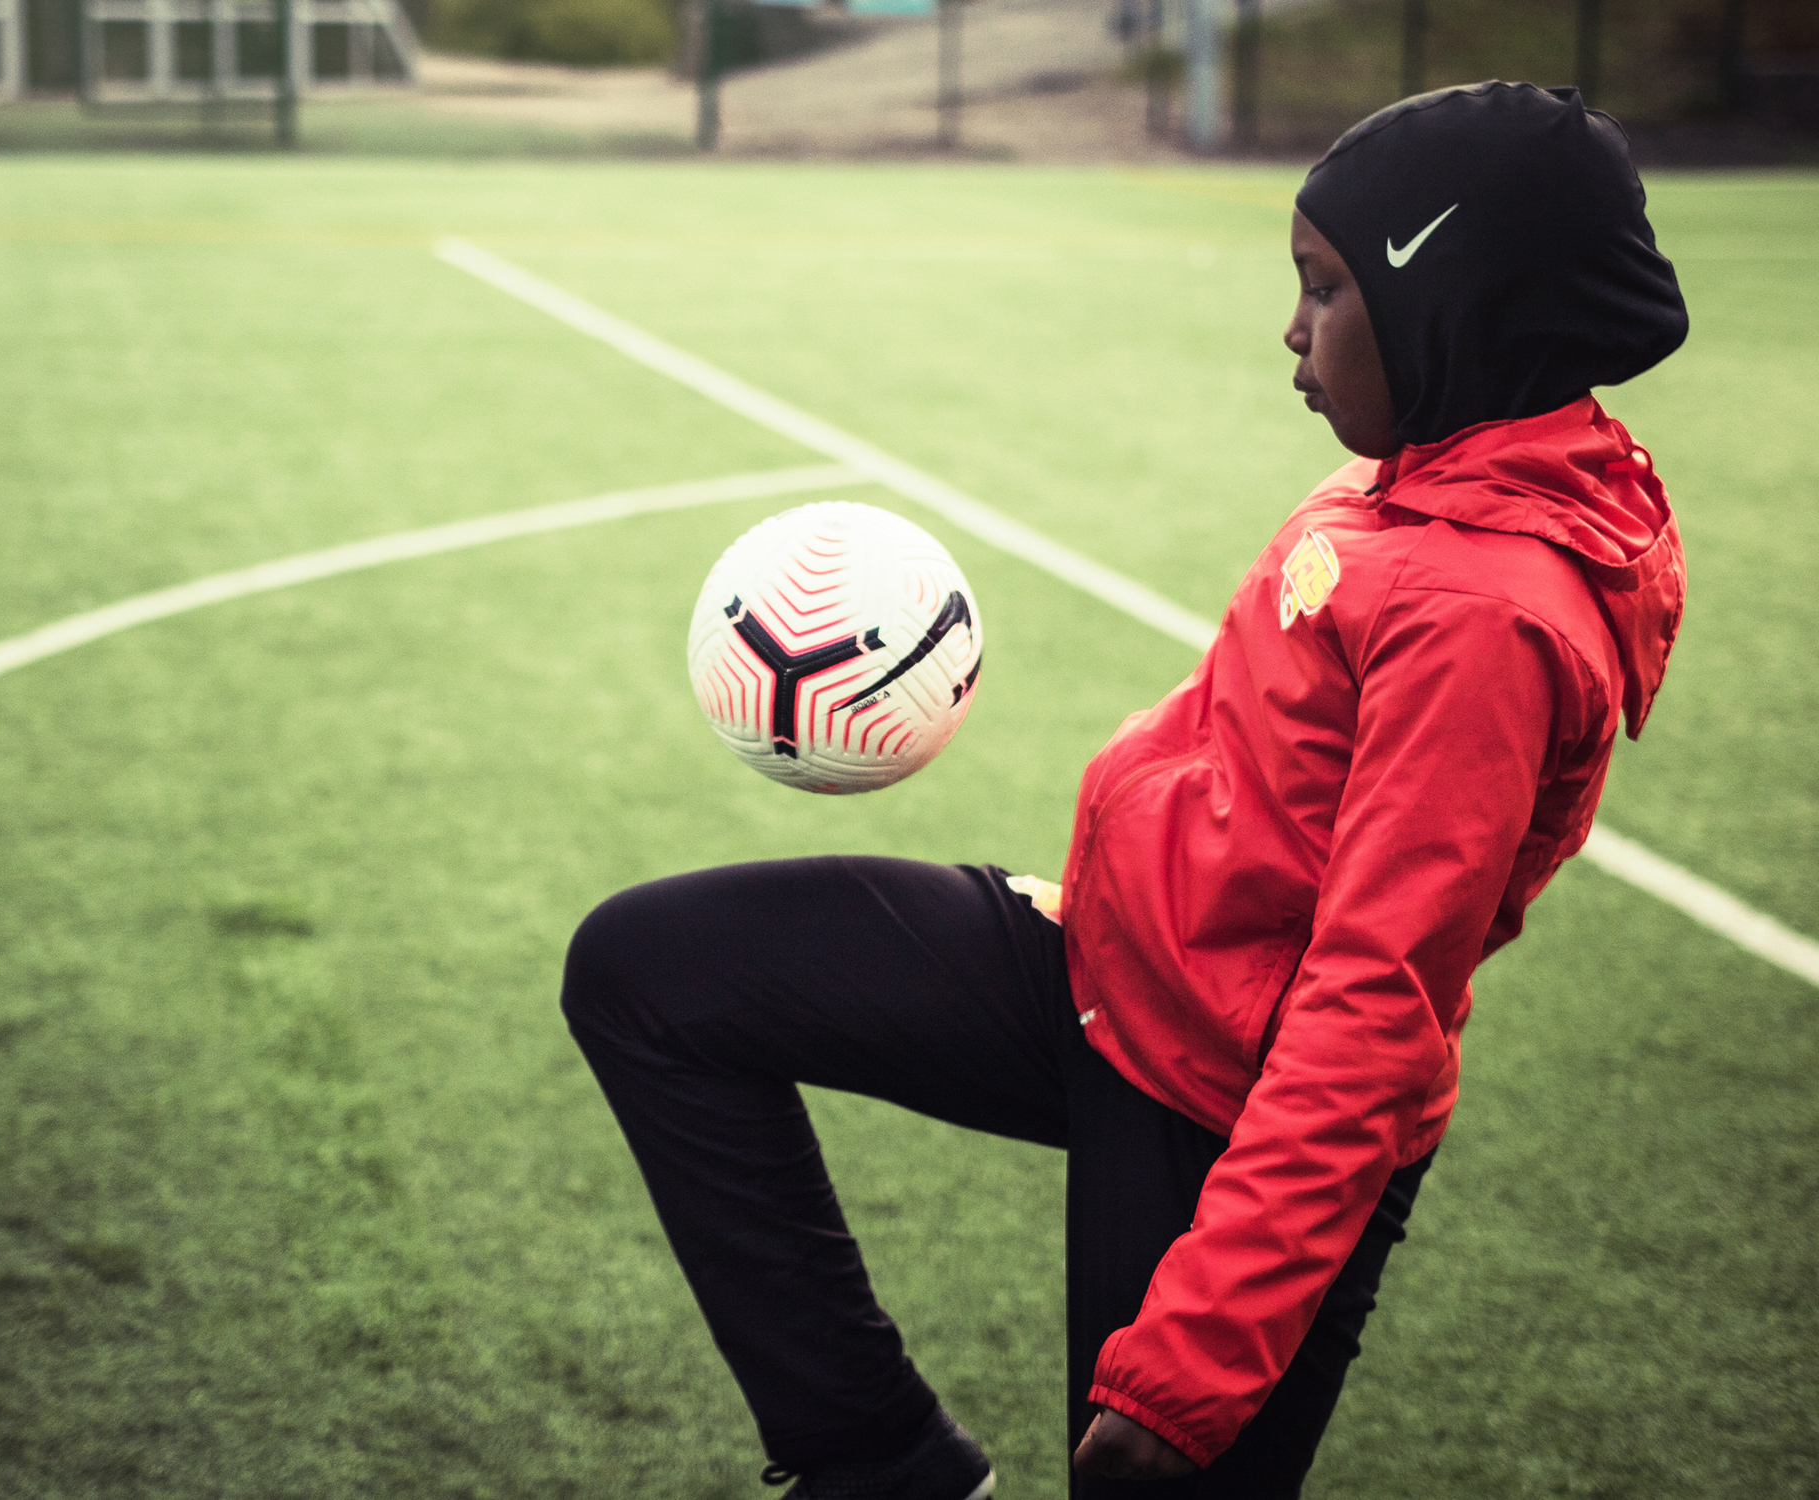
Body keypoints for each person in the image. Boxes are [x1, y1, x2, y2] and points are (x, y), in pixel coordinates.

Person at [561, 81, 1689, 1499]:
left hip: (1236, 1114)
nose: (1292, 327)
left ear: (1453, 307)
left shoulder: (1487, 614)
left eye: (1326, 289)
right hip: (1107, 971)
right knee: (650, 975)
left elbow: (1370, 1009)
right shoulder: (1420, 478)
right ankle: (879, 1463)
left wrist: (1195, 1369)